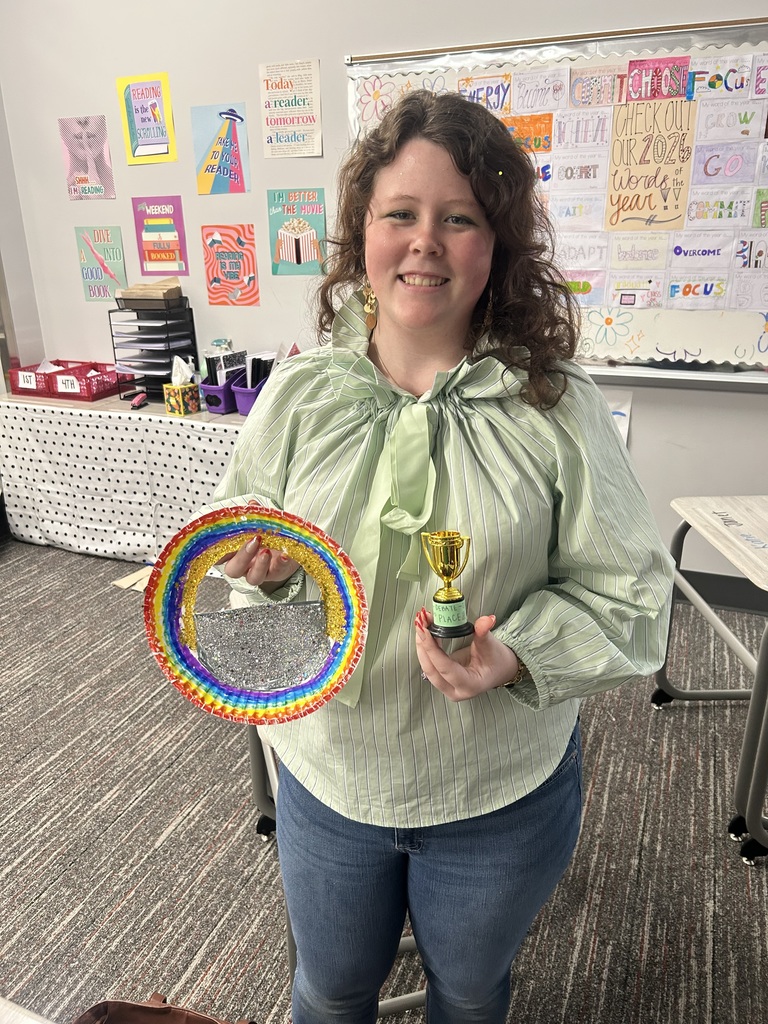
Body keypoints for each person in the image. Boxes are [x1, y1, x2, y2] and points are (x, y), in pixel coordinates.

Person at [200, 90, 675, 1023]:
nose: (425, 241)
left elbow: (629, 592)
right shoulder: (300, 394)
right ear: (361, 236)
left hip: (496, 792)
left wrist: (518, 652)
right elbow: (238, 532)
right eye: (400, 215)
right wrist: (261, 565)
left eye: (459, 218)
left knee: (468, 988)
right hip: (332, 771)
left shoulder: (552, 405)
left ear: (496, 246)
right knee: (331, 990)